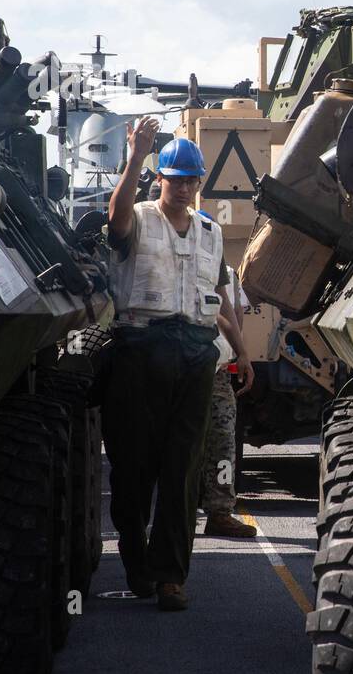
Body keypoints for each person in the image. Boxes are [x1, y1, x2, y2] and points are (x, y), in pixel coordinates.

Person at [104, 117, 253, 611]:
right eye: (176, 178)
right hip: (141, 351)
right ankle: (135, 556)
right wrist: (135, 156)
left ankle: (170, 577)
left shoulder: (210, 233)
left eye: (192, 179)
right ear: (159, 178)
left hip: (195, 354)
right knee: (132, 468)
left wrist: (240, 350)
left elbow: (218, 296)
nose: (185, 186)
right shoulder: (140, 216)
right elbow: (116, 217)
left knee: (182, 471)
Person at [199, 262, 257, 538]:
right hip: (181, 368)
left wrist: (239, 354)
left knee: (223, 444)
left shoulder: (229, 276)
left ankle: (220, 512)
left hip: (218, 372)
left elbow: (236, 315)